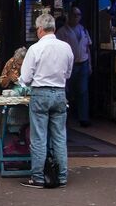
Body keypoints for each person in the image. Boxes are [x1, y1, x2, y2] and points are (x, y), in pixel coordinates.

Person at [20, 13, 75, 189]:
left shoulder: (35, 49)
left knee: (39, 137)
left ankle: (38, 177)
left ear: (41, 29)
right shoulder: (66, 47)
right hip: (59, 93)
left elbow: (26, 77)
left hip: (40, 93)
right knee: (59, 136)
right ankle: (62, 176)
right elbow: (68, 73)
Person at [57, 6, 94, 126]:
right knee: (66, 91)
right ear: (69, 16)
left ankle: (84, 118)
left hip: (82, 62)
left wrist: (89, 64)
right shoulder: (62, 32)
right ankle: (64, 117)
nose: (77, 17)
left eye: (79, 15)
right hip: (68, 65)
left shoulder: (83, 30)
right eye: (74, 15)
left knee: (83, 91)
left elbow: (87, 48)